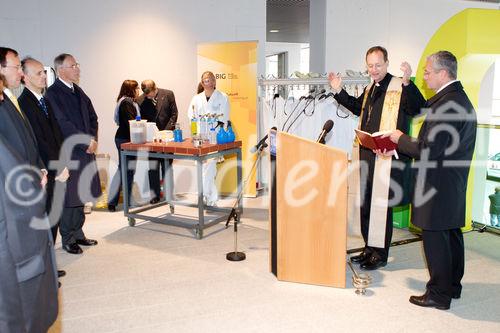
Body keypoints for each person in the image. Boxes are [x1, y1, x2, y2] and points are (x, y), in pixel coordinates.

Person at [379, 50, 477, 310]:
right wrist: (398, 147)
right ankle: (452, 286)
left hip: (437, 183)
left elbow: (428, 149)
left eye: (427, 71)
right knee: (450, 234)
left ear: (443, 73)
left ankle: (438, 294)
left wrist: (399, 138)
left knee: (435, 238)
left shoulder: (448, 104)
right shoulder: (456, 99)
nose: (424, 76)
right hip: (449, 182)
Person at [328, 46, 425, 270]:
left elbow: (417, 107)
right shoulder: (371, 86)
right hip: (368, 154)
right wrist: (338, 90)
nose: (373, 70)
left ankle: (379, 254)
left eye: (378, 65)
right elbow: (356, 108)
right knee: (366, 204)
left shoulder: (400, 85)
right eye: (370, 66)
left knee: (381, 205)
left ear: (387, 63)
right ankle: (368, 248)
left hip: (387, 157)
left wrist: (409, 82)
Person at [0, 46, 58, 332]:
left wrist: (40, 168)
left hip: (35, 176)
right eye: (16, 68)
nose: (20, 73)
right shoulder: (7, 103)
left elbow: (28, 141)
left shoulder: (12, 100)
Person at [18, 56, 70, 280]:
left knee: (54, 216)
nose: (43, 76)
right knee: (46, 218)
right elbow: (39, 141)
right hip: (44, 170)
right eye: (38, 73)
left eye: (44, 72)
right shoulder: (25, 103)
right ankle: (45, 268)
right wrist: (56, 167)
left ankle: (49, 263)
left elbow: (56, 134)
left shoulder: (44, 100)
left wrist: (64, 160)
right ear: (25, 77)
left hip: (57, 164)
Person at [45, 53, 100, 255]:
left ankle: (78, 233)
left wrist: (93, 139)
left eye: (77, 64)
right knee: (70, 197)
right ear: (61, 70)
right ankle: (68, 238)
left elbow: (93, 117)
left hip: (86, 150)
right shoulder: (53, 93)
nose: (77, 68)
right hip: (70, 151)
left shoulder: (79, 91)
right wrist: (85, 141)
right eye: (72, 65)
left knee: (82, 194)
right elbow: (62, 123)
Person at [187, 71, 230, 206]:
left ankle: (204, 194)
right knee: (202, 166)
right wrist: (196, 131)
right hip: (199, 137)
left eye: (210, 79)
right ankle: (211, 198)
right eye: (205, 80)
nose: (207, 82)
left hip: (214, 136)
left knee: (210, 165)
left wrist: (214, 127)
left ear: (214, 82)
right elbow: (191, 116)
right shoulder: (196, 98)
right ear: (202, 82)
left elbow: (224, 117)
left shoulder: (222, 97)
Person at [136, 80, 178, 204]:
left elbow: (174, 114)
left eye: (150, 94)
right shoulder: (140, 100)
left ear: (155, 88)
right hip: (151, 139)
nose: (148, 97)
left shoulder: (168, 94)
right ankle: (154, 195)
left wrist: (165, 132)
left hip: (167, 137)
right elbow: (141, 120)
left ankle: (169, 193)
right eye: (146, 95)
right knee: (153, 167)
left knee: (167, 166)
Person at [107, 80, 141, 211]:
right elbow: (131, 123)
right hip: (125, 139)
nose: (138, 90)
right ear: (130, 89)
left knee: (129, 169)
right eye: (136, 88)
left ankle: (127, 200)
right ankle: (112, 201)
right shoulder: (126, 102)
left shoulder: (130, 101)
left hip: (128, 138)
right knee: (124, 169)